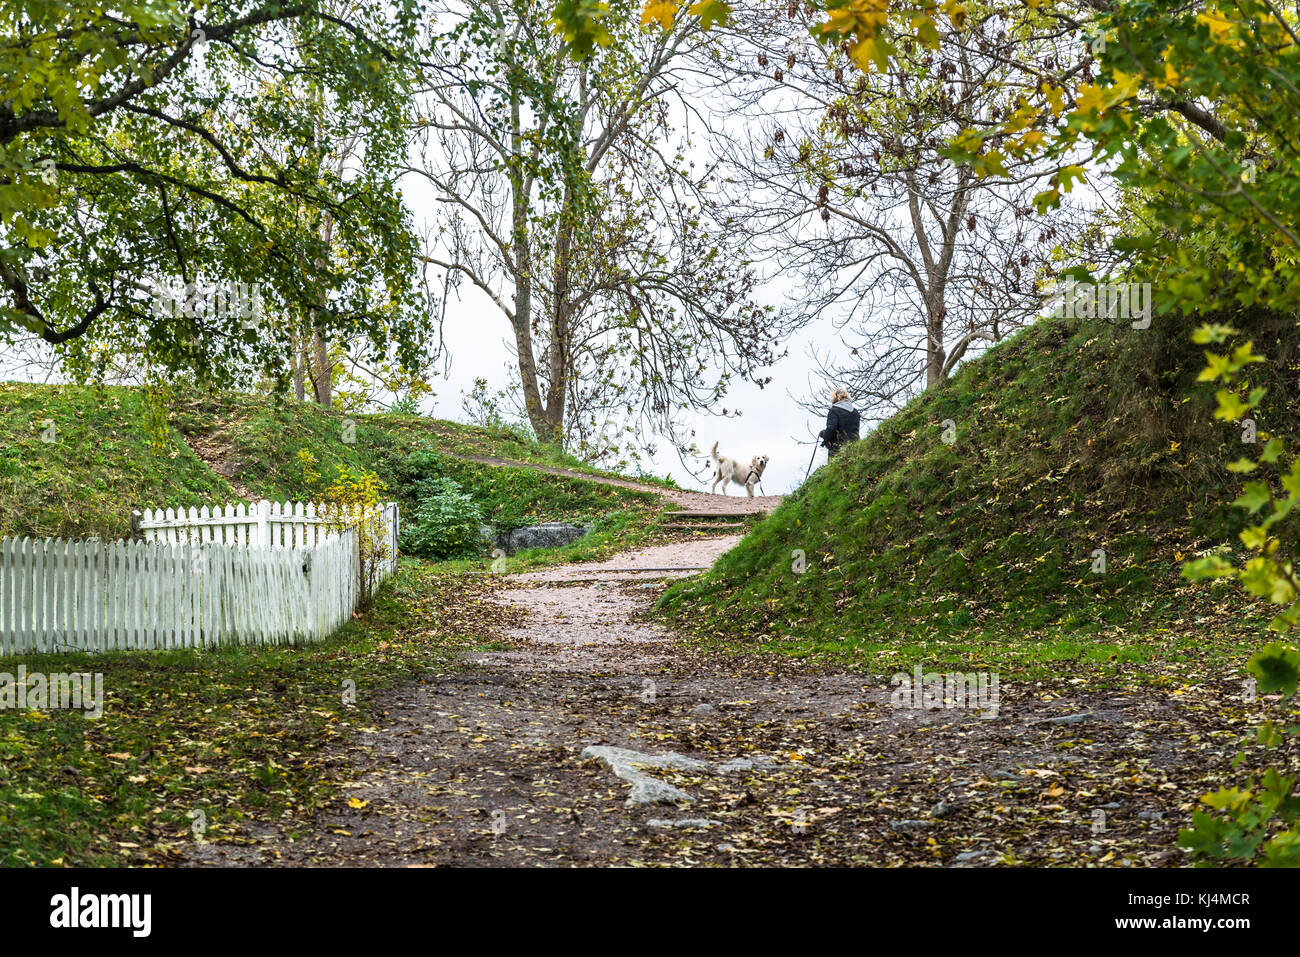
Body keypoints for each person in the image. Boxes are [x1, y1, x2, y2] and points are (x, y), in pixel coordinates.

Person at [819, 388, 860, 458]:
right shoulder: (855, 411)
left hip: (838, 448)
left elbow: (831, 429)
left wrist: (823, 434)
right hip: (856, 445)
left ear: (835, 398)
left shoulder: (834, 411)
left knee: (837, 468)